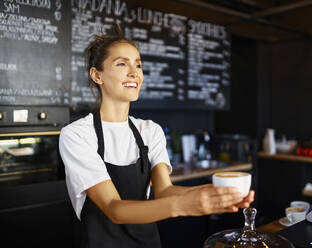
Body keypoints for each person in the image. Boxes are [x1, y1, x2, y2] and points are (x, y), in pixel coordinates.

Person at [59, 24, 255, 248]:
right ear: (97, 75)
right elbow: (114, 209)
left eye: (138, 65)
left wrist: (213, 196)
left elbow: (164, 191)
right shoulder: (77, 135)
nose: (135, 72)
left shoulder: (150, 131)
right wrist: (183, 206)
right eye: (122, 63)